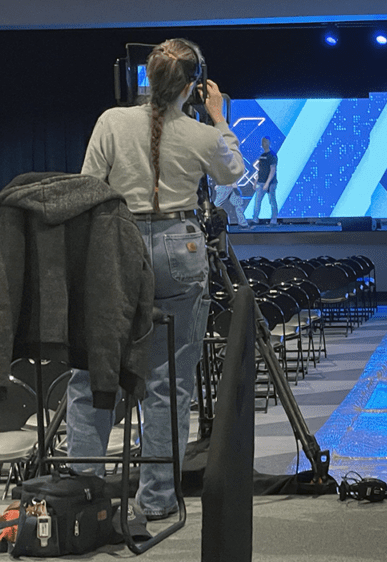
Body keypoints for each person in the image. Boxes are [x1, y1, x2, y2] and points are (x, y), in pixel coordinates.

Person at [68, 38, 244, 521]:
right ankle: (158, 499)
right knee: (169, 383)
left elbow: (87, 188)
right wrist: (219, 114)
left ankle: (80, 497)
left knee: (92, 373)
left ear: (146, 77)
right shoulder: (201, 133)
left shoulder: (111, 120)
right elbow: (233, 172)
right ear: (192, 84)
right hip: (180, 249)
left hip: (117, 247)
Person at [250, 136, 278, 226]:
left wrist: (267, 183)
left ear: (269, 142)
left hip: (270, 183)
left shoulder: (272, 155)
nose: (263, 144)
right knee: (257, 201)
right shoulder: (262, 156)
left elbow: (272, 170)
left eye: (265, 142)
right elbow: (260, 170)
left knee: (272, 201)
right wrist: (255, 181)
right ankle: (255, 219)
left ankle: (274, 221)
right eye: (262, 142)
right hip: (260, 182)